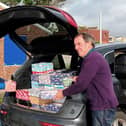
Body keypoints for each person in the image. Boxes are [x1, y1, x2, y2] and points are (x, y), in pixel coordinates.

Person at [54, 32, 118, 126]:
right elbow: (92, 77)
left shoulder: (92, 59)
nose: (76, 48)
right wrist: (79, 78)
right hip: (102, 104)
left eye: (79, 44)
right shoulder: (91, 57)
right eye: (75, 45)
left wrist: (62, 93)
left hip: (103, 106)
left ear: (88, 43)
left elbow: (81, 85)